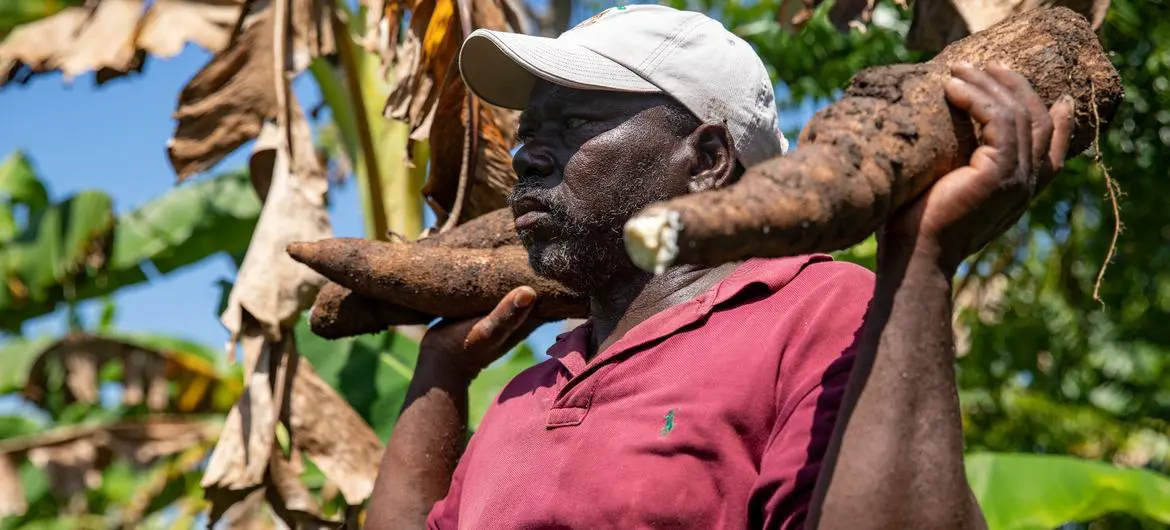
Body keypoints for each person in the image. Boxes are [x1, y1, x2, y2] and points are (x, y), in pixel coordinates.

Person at [364, 5, 1074, 529]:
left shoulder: (818, 314)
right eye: (528, 134)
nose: (526, 156)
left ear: (706, 160)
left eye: (573, 124)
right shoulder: (531, 390)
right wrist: (441, 373)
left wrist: (919, 264)